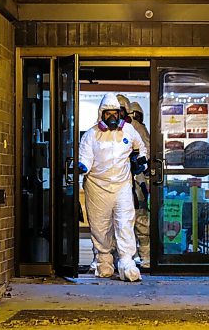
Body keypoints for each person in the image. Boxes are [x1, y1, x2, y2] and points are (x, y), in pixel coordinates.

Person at [79, 93, 147, 282]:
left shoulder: (129, 131)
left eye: (115, 113)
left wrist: (140, 161)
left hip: (122, 185)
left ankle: (127, 262)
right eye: (108, 113)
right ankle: (104, 262)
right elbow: (85, 157)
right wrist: (81, 167)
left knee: (125, 223)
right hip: (97, 186)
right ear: (102, 114)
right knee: (100, 227)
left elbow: (141, 147)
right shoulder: (91, 135)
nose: (112, 118)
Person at [129, 101, 151, 269]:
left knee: (139, 220)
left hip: (135, 181)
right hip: (128, 182)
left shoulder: (137, 129)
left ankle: (143, 257)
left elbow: (146, 156)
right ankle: (144, 257)